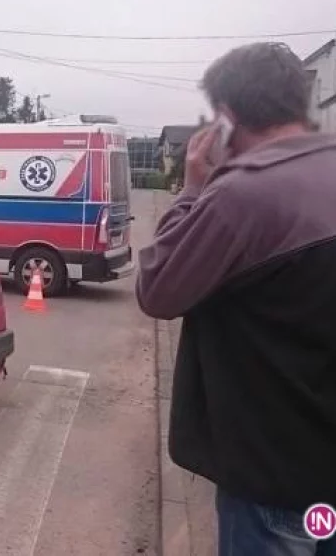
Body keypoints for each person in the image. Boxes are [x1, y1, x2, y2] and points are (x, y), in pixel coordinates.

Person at [137, 42, 336, 555]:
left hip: (277, 480)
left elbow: (158, 290)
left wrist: (191, 189)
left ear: (226, 117)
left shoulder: (243, 196)